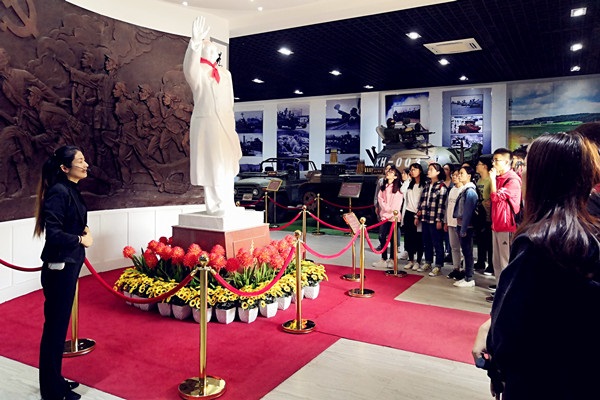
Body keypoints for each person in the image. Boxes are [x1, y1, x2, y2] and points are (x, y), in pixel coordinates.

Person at [472, 132, 600, 399]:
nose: (522, 172)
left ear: (545, 175)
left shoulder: (540, 242)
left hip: (539, 379)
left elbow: (512, 328)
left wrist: (497, 364)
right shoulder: (589, 232)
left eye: (527, 165)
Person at [34, 146, 93, 400]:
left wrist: (83, 230)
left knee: (58, 330)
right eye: (80, 160)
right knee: (54, 331)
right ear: (64, 167)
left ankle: (55, 381)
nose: (86, 164)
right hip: (59, 269)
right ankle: (51, 391)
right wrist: (81, 239)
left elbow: (72, 221)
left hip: (68, 267)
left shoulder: (70, 189)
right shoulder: (59, 191)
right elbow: (55, 234)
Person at [183, 16, 242, 216]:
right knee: (212, 165)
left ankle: (228, 203)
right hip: (207, 125)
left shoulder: (225, 74)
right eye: (207, 47)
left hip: (225, 124)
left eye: (214, 48)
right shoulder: (197, 71)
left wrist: (232, 128)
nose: (213, 49)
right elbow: (189, 66)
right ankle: (215, 205)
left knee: (227, 164)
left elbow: (230, 103)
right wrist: (195, 42)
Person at [488, 148, 521, 302]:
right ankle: (499, 291)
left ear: (507, 162)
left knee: (505, 262)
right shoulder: (499, 178)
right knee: (496, 261)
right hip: (496, 224)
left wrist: (492, 180)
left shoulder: (512, 180)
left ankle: (507, 294)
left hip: (507, 226)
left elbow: (495, 197)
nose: (493, 163)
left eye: (497, 160)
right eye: (493, 160)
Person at [416, 163, 448, 276]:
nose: (428, 171)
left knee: (437, 243)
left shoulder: (442, 187)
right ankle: (428, 262)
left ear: (438, 172)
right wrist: (418, 215)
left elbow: (441, 205)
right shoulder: (427, 185)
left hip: (435, 219)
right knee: (426, 242)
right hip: (425, 218)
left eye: (431, 170)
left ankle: (438, 265)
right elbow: (422, 201)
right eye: (428, 169)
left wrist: (439, 220)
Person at [372, 166, 403, 269]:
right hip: (384, 217)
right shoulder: (383, 187)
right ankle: (383, 258)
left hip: (393, 217)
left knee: (393, 239)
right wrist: (384, 211)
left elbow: (396, 206)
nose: (388, 173)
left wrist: (389, 212)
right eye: (388, 171)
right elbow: (380, 199)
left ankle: (392, 259)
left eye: (391, 172)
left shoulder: (398, 189)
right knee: (382, 237)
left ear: (395, 176)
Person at [453, 165, 478, 287]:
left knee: (468, 252)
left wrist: (463, 229)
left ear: (469, 176)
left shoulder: (470, 191)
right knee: (465, 251)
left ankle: (469, 278)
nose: (459, 175)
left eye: (462, 173)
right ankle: (467, 276)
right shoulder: (464, 190)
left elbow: (468, 212)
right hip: (461, 225)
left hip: (467, 226)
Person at [474, 156, 494, 276]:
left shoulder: (490, 180)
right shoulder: (479, 181)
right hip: (480, 214)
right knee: (480, 240)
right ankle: (480, 261)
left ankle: (491, 264)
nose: (477, 166)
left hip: (489, 215)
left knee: (489, 242)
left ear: (485, 166)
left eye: (479, 164)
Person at [403, 163, 425, 270]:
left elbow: (424, 200)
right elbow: (402, 192)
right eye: (411, 170)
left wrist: (418, 214)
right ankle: (410, 259)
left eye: (415, 169)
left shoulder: (424, 185)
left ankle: (418, 261)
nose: (412, 171)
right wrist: (407, 180)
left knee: (418, 238)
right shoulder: (409, 184)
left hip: (419, 213)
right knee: (408, 237)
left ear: (420, 171)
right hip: (408, 212)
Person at [443, 169, 464, 280]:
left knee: (463, 248)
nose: (454, 177)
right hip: (451, 222)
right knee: (454, 247)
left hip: (459, 224)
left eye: (457, 175)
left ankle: (464, 270)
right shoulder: (451, 189)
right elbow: (447, 206)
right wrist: (446, 221)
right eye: (453, 175)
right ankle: (456, 268)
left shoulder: (463, 189)